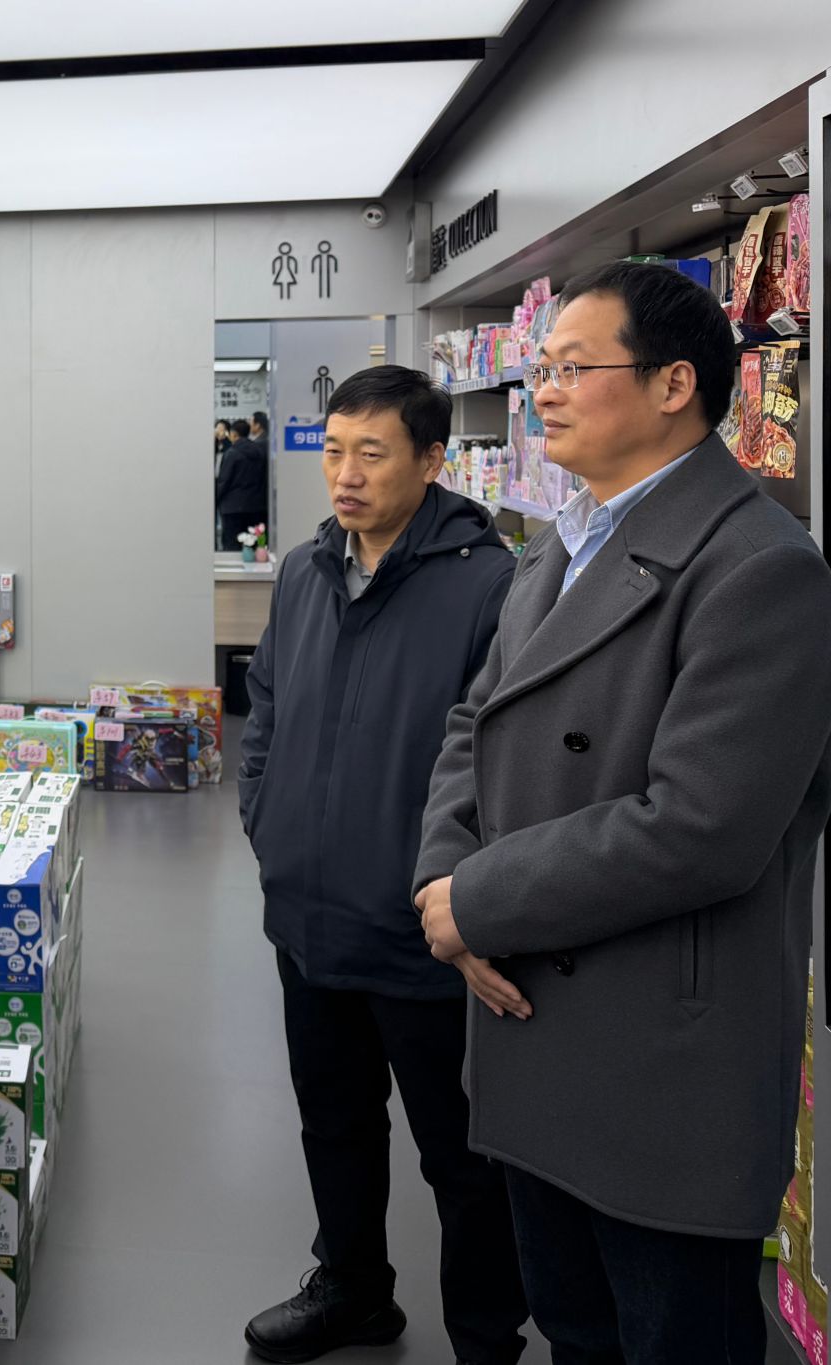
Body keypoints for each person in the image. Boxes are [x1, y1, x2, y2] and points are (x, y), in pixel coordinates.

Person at [415, 262, 831, 1363]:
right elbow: (474, 722)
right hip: (529, 1027)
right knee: (574, 1329)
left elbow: (700, 828)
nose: (541, 392)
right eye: (538, 368)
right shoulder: (562, 541)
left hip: (658, 1065)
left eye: (569, 367)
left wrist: (481, 901)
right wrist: (442, 882)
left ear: (672, 385)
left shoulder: (761, 569)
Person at [239, 366, 525, 1364]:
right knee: (334, 1122)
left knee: (464, 1156)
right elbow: (265, 706)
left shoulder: (490, 586)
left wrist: (469, 897)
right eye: (332, 452)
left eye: (372, 453)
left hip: (425, 934)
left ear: (432, 460)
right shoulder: (305, 570)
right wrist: (266, 822)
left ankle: (486, 1335)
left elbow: (504, 762)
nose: (346, 476)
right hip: (307, 918)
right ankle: (353, 1288)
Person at [216, 417, 268, 550]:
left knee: (232, 545)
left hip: (232, 508)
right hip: (256, 506)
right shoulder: (260, 452)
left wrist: (216, 499)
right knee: (253, 544)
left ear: (233, 434)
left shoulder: (231, 453)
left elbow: (224, 481)